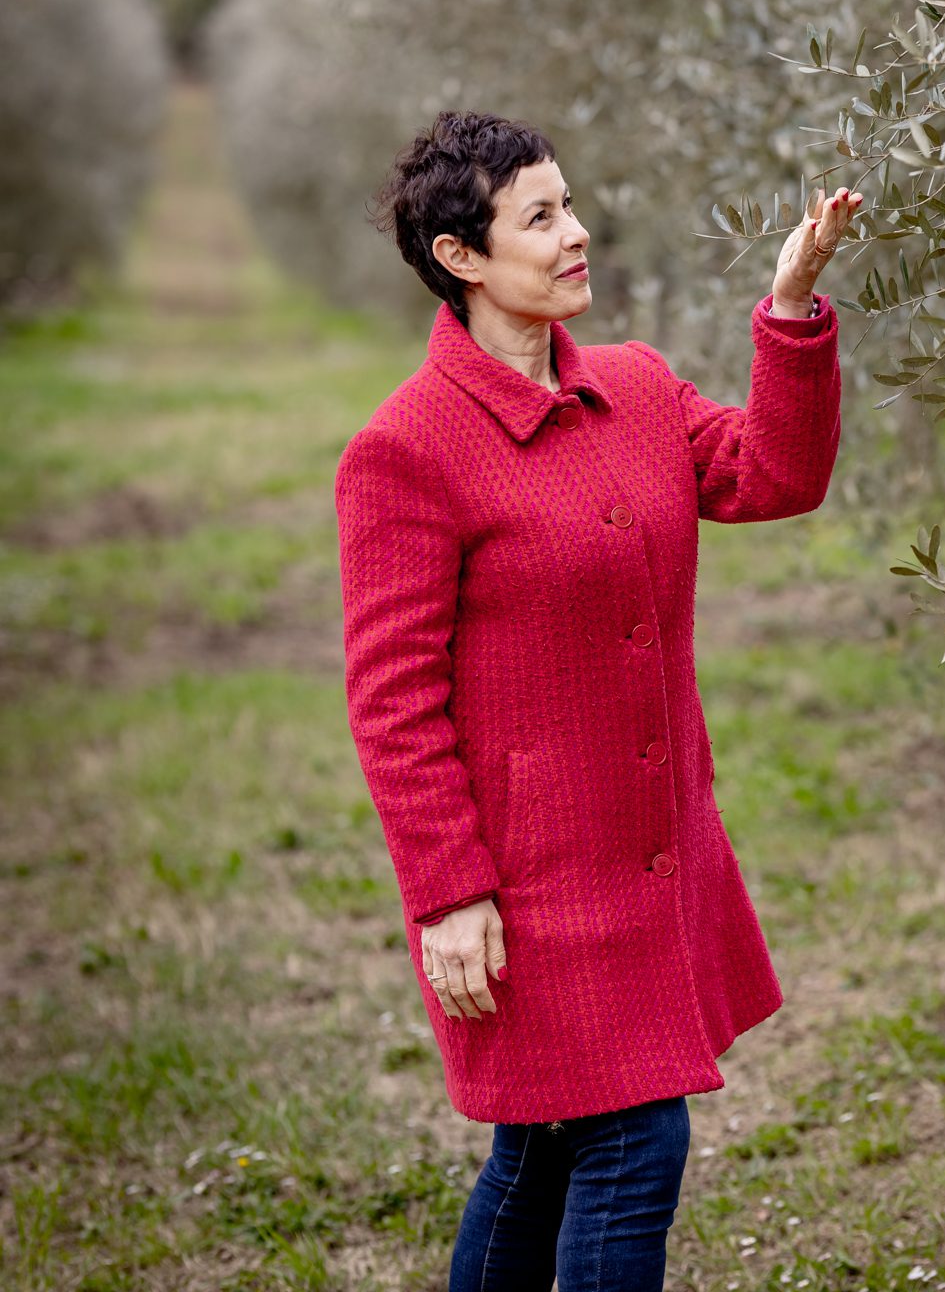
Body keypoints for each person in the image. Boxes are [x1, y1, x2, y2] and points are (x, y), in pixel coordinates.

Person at [334, 110, 860, 1291]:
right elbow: (392, 700)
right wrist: (449, 892)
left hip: (656, 853)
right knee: (631, 1135)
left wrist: (787, 311)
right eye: (540, 217)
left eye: (570, 204)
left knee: (543, 1146)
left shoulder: (634, 385)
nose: (577, 234)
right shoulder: (405, 450)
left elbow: (774, 473)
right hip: (530, 880)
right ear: (461, 258)